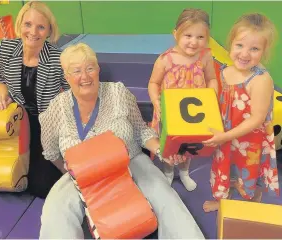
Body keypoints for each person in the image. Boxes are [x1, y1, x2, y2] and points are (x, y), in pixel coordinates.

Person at [38, 43, 205, 239]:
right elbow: (51, 153)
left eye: (90, 68)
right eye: (76, 71)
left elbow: (141, 131)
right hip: (84, 173)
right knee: (55, 210)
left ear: (98, 69)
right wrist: (74, 175)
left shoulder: (118, 93)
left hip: (130, 161)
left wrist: (161, 151)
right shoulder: (56, 108)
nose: (85, 76)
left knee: (166, 198)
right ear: (66, 76)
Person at [202, 13, 280, 212]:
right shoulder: (225, 71)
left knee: (248, 173)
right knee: (223, 167)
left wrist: (225, 136)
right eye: (240, 46)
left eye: (254, 49)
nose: (245, 54)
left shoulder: (260, 80)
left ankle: (253, 199)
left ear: (264, 51)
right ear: (231, 44)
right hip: (225, 135)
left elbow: (257, 119)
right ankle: (222, 200)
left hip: (248, 141)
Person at [0, 1, 69, 199]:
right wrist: (2, 92)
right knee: (0, 178)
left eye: (41, 27)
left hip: (45, 123)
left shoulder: (56, 57)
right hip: (18, 120)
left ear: (49, 31)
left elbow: (71, 92)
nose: (33, 32)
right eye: (28, 24)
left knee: (42, 186)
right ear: (20, 25)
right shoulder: (7, 48)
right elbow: (0, 80)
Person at [148, 8, 218, 191]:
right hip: (171, 114)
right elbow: (153, 83)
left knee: (188, 146)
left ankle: (185, 173)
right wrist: (156, 101)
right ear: (176, 34)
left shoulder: (205, 56)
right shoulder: (166, 59)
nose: (194, 42)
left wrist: (211, 97)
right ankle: (169, 172)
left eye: (200, 37)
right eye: (188, 35)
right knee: (171, 148)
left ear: (207, 37)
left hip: (194, 114)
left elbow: (211, 79)